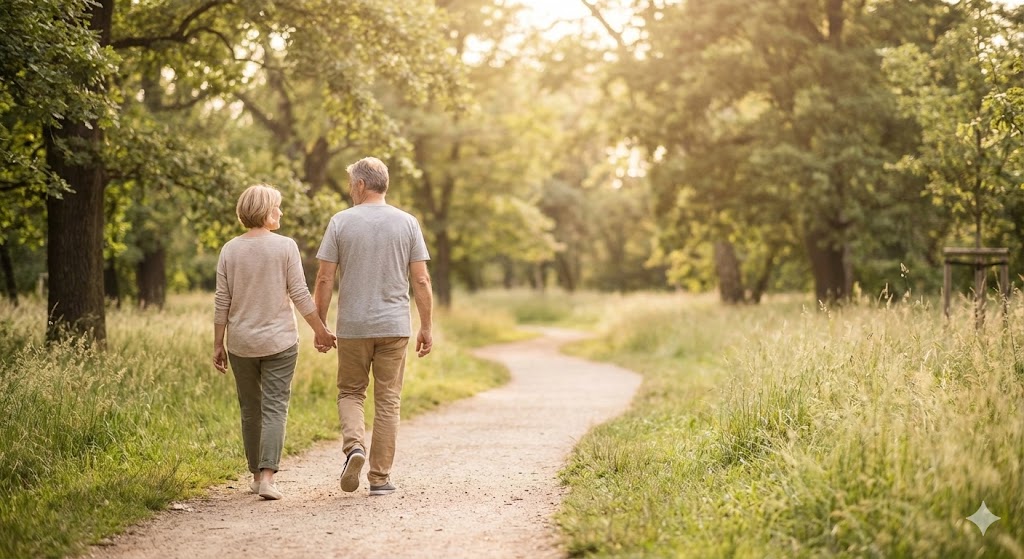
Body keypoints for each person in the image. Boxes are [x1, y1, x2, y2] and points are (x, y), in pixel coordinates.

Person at [313, 156, 433, 497]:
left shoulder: (340, 222)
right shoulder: (408, 223)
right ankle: (379, 478)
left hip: (353, 326)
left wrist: (320, 324)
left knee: (351, 392)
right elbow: (421, 280)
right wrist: (427, 325)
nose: (351, 189)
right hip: (395, 326)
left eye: (352, 183)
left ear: (362, 185)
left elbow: (324, 277)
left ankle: (354, 448)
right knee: (388, 400)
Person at [213, 184, 336, 500]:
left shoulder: (230, 249)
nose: (280, 212)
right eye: (277, 207)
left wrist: (218, 343)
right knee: (275, 407)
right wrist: (320, 329)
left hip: (240, 343)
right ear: (266, 212)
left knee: (250, 409)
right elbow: (299, 293)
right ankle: (267, 478)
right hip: (280, 342)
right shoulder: (285, 247)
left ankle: (255, 476)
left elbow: (222, 301)